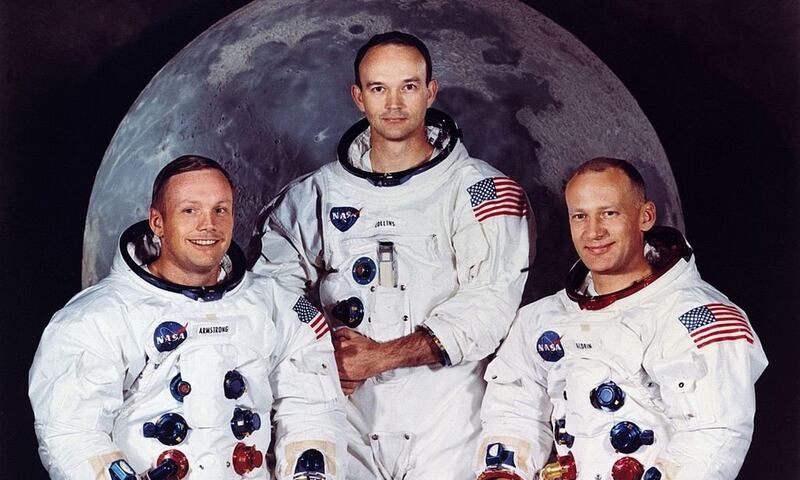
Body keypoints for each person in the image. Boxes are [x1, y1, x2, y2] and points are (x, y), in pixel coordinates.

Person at [249, 32, 533, 479]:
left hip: (446, 411)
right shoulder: (314, 195)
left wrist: (382, 356)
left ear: (430, 92)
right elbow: (274, 290)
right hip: (345, 405)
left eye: (409, 86)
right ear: (358, 97)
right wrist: (323, 344)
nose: (394, 103)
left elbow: (490, 301)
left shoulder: (480, 190)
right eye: (379, 88)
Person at [29, 155, 346, 480]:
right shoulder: (95, 318)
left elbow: (314, 412)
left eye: (220, 210)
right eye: (190, 210)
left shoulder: (281, 306)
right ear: (158, 222)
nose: (208, 225)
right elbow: (73, 434)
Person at [475, 157, 767, 480]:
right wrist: (503, 473)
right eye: (580, 216)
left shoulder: (698, 318)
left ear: (645, 216)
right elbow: (513, 412)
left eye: (609, 213)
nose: (593, 232)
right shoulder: (540, 320)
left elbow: (712, 437)